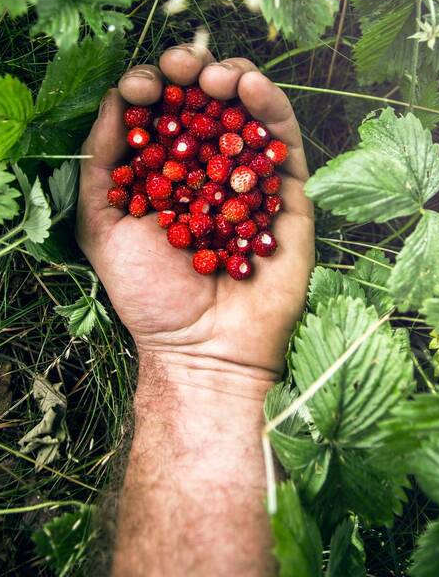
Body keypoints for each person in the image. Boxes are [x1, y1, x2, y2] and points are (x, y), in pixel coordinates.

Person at [76, 43, 315, 576]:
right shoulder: (191, 191)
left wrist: (207, 374)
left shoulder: (216, 196)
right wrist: (204, 371)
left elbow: (214, 183)